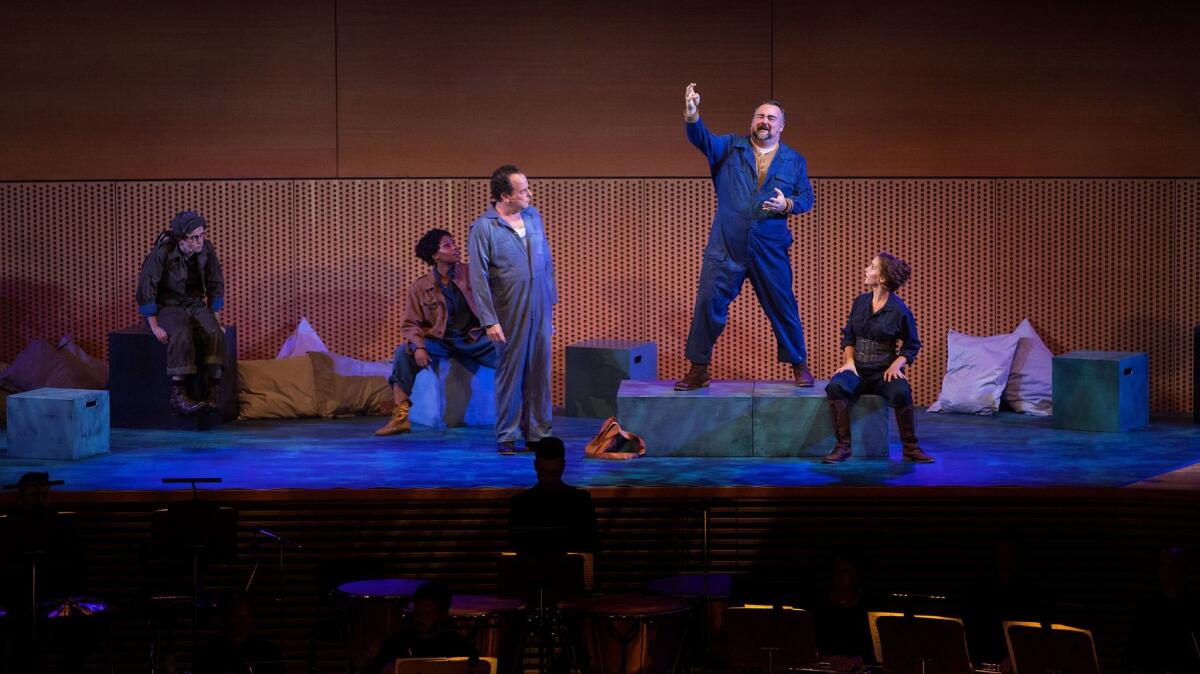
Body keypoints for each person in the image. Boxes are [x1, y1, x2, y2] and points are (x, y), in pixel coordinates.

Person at [675, 83, 816, 391]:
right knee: (708, 303)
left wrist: (787, 204)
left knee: (783, 305)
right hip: (726, 246)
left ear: (781, 126)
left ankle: (799, 365)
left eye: (771, 118)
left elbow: (807, 198)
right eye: (759, 116)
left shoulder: (794, 160)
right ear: (753, 121)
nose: (764, 121)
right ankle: (698, 369)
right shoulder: (729, 148)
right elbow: (699, 137)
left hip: (769, 247)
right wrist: (692, 112)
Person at [468, 165, 558, 454]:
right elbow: (478, 278)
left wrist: (551, 304)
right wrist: (489, 320)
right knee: (511, 372)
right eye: (523, 191)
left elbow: (547, 262)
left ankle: (538, 434)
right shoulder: (485, 227)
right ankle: (506, 435)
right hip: (509, 310)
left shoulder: (533, 217)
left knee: (540, 371)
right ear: (505, 195)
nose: (530, 194)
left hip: (539, 306)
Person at [376, 229, 497, 436]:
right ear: (435, 255)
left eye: (454, 243)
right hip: (441, 341)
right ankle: (400, 418)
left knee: (513, 355)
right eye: (448, 245)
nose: (455, 247)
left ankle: (521, 416)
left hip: (475, 338)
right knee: (402, 354)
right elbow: (411, 324)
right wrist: (420, 347)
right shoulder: (421, 286)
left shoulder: (471, 273)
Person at [823, 252, 934, 463]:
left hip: (883, 372)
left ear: (882, 278)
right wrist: (849, 362)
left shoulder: (899, 310)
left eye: (872, 267)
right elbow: (849, 336)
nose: (866, 269)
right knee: (835, 387)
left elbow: (912, 345)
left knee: (902, 391)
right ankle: (843, 447)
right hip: (858, 370)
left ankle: (911, 448)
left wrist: (897, 366)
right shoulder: (860, 302)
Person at [135, 210, 226, 414]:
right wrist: (154, 324)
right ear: (181, 240)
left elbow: (215, 282)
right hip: (167, 304)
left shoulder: (206, 250)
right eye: (194, 237)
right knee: (182, 334)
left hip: (193, 303)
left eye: (202, 235)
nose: (200, 241)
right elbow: (146, 288)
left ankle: (214, 389)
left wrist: (216, 318)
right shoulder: (162, 253)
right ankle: (178, 393)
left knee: (214, 332)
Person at [508, 437, 599, 559]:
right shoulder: (580, 502)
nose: (549, 479)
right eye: (544, 472)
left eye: (554, 473)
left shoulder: (521, 504)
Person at [361, 581, 477, 674]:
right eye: (416, 611)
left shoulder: (458, 646)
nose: (419, 617)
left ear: (443, 615)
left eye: (427, 613)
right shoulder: (396, 641)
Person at [1124, 545, 1200, 674]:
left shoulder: (1194, 609)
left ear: (1183, 569)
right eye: (1162, 566)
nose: (1166, 571)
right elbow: (1131, 658)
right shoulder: (1146, 609)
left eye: (1172, 566)